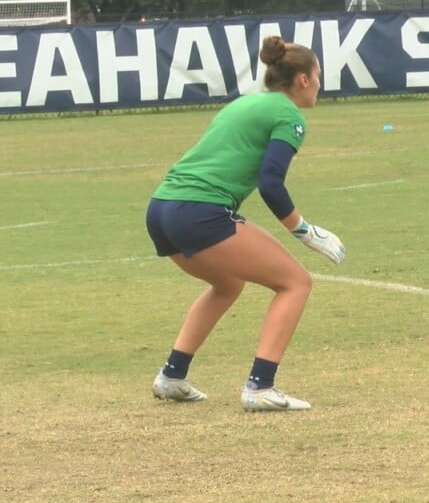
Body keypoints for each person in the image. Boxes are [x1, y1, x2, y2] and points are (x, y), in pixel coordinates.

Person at [146, 36, 345, 412]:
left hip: (160, 209)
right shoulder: (289, 116)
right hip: (197, 210)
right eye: (318, 75)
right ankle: (260, 386)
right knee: (295, 283)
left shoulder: (246, 102)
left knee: (227, 284)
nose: (320, 82)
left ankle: (171, 376)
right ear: (302, 79)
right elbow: (271, 182)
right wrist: (305, 231)